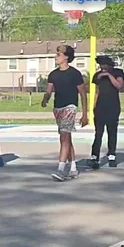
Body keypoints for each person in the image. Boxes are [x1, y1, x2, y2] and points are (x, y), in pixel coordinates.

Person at [40, 44, 88, 181]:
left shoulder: (75, 74)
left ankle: (61, 169)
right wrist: (45, 99)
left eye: (58, 55)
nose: (55, 57)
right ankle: (73, 168)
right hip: (58, 108)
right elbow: (49, 90)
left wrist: (85, 114)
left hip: (70, 107)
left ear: (66, 57)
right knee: (66, 138)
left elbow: (83, 94)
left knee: (64, 137)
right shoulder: (53, 74)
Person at [88, 55, 124, 169]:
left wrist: (109, 76)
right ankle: (95, 157)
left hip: (113, 107)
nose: (102, 68)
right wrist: (94, 107)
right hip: (100, 107)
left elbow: (118, 85)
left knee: (112, 132)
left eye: (104, 65)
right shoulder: (98, 75)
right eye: (101, 65)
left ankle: (112, 155)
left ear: (109, 65)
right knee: (98, 133)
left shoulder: (117, 72)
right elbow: (97, 92)